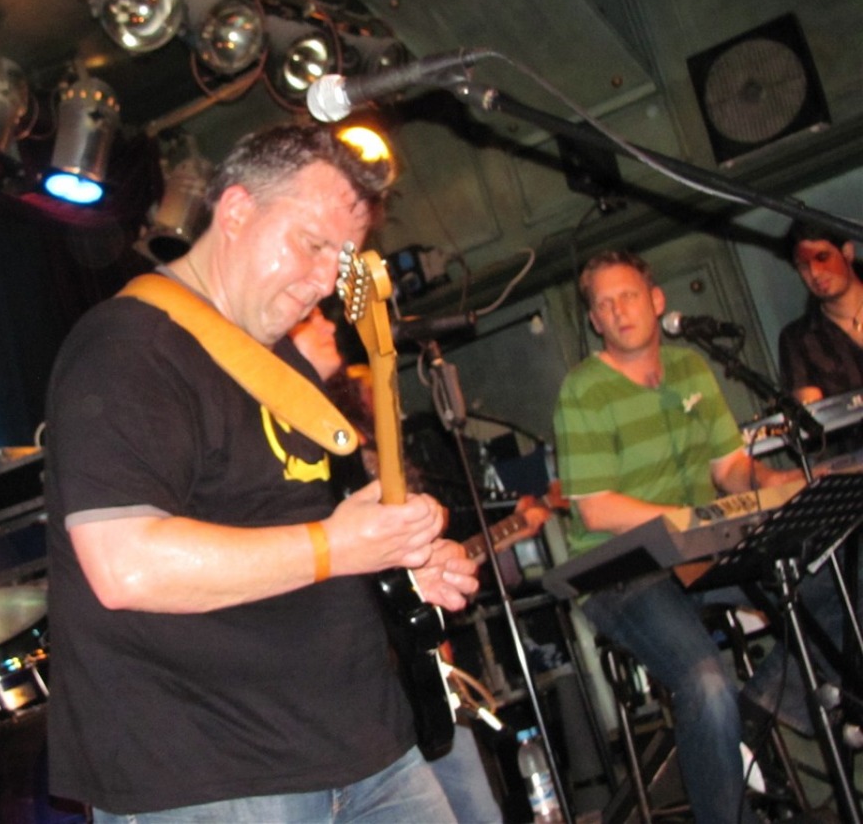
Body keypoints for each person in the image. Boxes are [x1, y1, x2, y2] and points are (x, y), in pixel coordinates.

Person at [44, 123, 481, 822]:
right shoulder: (128, 347)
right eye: (312, 244)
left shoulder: (282, 365)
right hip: (213, 778)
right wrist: (339, 547)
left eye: (342, 259)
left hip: (368, 748)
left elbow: (296, 537)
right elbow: (127, 566)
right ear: (238, 210)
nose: (325, 281)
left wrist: (396, 567)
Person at [552, 250, 807, 824]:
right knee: (706, 685)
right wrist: (685, 519)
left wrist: (771, 481)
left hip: (702, 555)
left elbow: (729, 467)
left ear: (657, 300)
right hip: (624, 574)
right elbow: (596, 508)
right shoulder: (584, 390)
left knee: (834, 592)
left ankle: (751, 715)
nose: (618, 311)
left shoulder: (691, 368)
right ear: (593, 320)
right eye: (604, 305)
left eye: (628, 296)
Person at [291, 305, 527, 824]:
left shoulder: (348, 438)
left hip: (398, 664)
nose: (328, 324)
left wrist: (422, 572)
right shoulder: (278, 448)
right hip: (337, 699)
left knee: (478, 810)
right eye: (308, 317)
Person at [777, 219, 863, 406]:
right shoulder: (797, 339)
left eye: (822, 258)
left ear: (847, 252)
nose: (815, 273)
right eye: (803, 266)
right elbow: (813, 414)